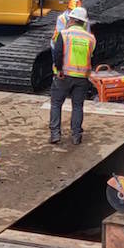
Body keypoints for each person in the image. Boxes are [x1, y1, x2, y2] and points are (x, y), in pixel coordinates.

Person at [48, 8, 95, 147]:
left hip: (64, 75)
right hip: (82, 78)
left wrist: (59, 69)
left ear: (73, 20)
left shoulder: (64, 34)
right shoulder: (90, 38)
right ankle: (76, 136)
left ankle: (55, 134)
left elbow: (57, 53)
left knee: (56, 104)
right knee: (77, 106)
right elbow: (91, 56)